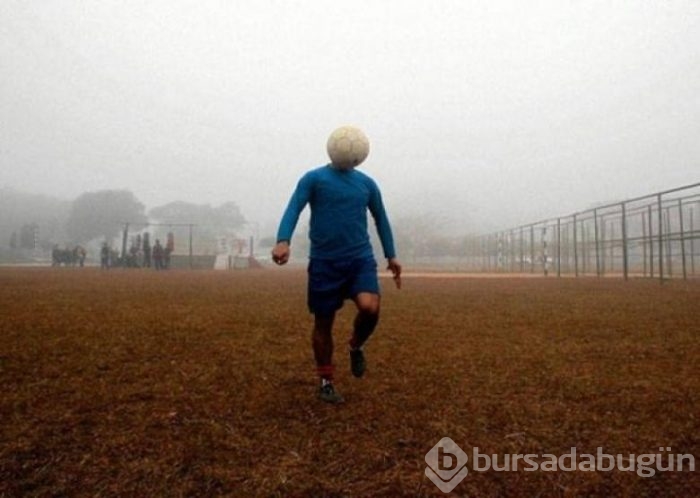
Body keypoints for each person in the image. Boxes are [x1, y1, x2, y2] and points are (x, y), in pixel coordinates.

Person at [272, 144, 402, 404]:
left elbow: (381, 218)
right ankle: (326, 382)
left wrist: (391, 255)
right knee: (323, 323)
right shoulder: (313, 179)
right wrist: (283, 239)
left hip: (359, 260)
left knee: (370, 307)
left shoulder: (367, 184)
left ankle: (355, 346)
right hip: (324, 263)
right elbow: (294, 207)